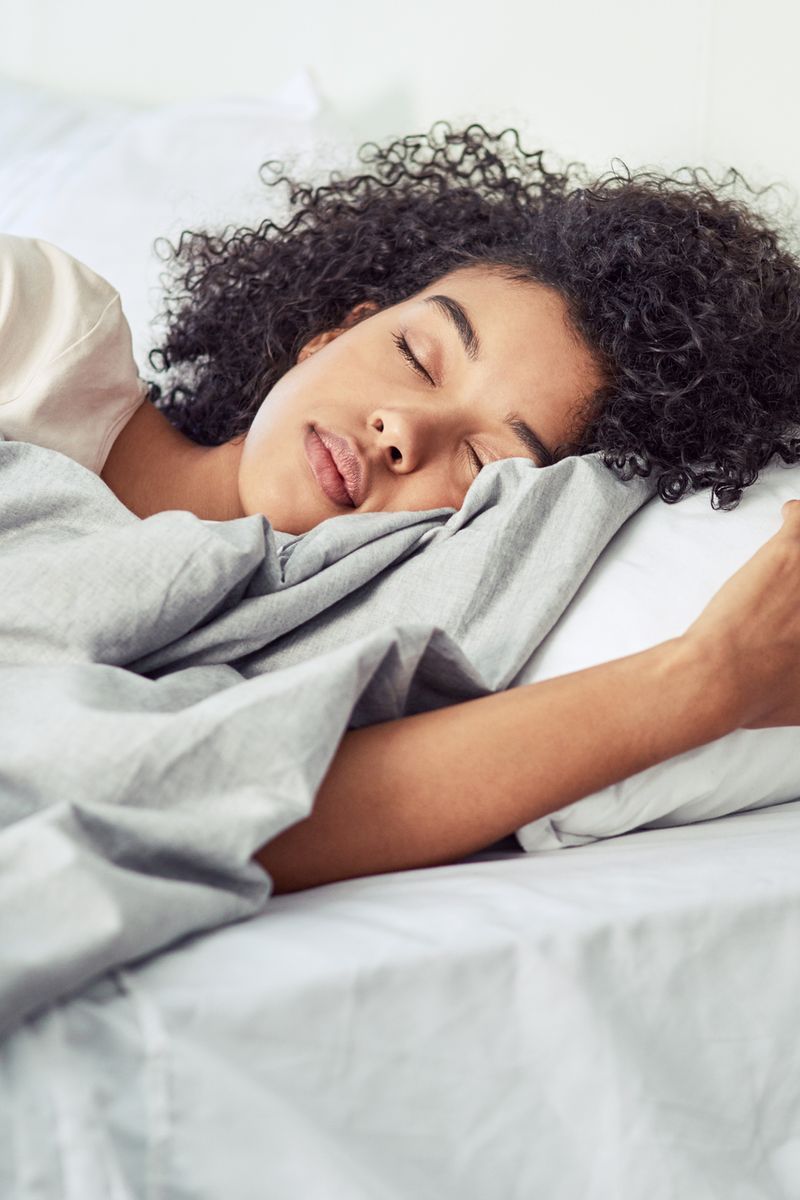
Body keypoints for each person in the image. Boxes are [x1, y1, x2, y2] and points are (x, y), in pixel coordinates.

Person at [2, 125, 800, 892]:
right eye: (417, 355)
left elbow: (236, 806)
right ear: (334, 332)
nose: (404, 429)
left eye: (483, 459)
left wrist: (712, 677)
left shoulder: (327, 647)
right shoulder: (41, 334)